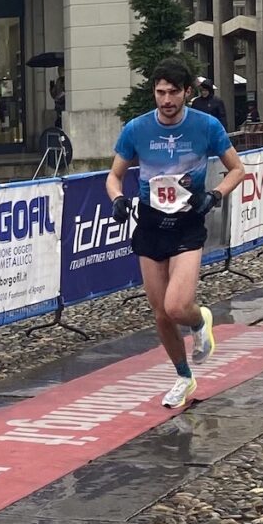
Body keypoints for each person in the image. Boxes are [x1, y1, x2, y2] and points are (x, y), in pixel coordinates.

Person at [106, 57, 244, 408]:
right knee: (160, 314)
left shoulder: (207, 126)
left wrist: (215, 195)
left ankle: (201, 320)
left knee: (177, 306)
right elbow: (114, 176)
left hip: (187, 221)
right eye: (160, 93)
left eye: (173, 93)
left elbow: (237, 170)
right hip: (151, 222)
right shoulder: (136, 129)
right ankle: (184, 376)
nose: (166, 101)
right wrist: (118, 199)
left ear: (187, 93)